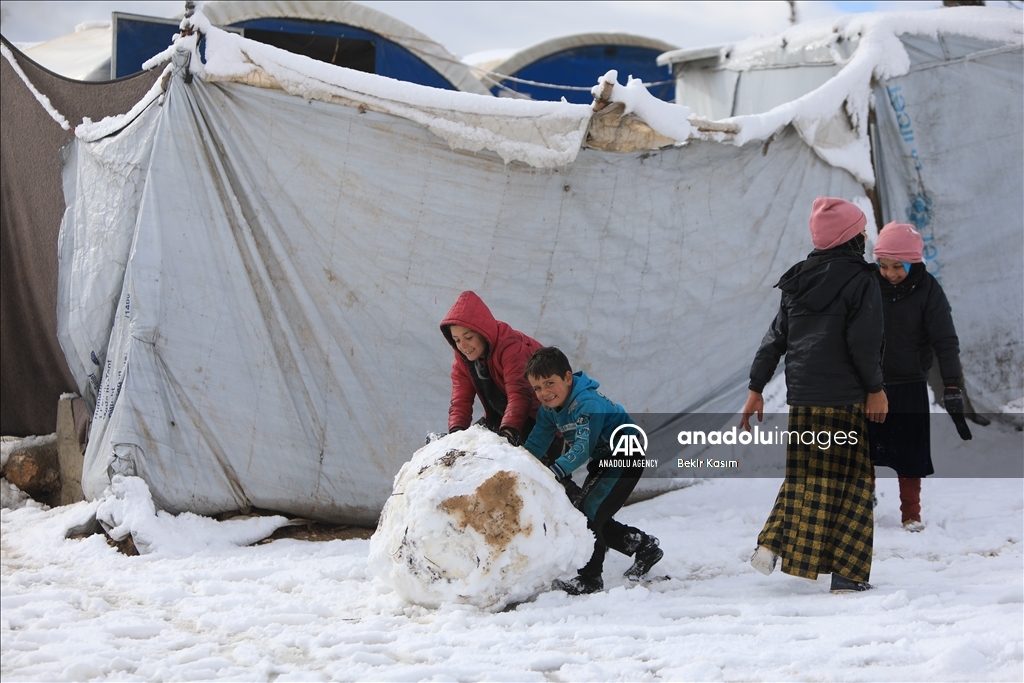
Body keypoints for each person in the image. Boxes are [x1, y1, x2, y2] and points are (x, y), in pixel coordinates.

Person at [740, 196, 887, 594]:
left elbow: (775, 339)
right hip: (843, 397)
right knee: (852, 483)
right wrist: (875, 389)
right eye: (862, 232)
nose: (865, 237)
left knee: (809, 475)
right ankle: (848, 575)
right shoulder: (862, 280)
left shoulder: (799, 280)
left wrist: (756, 388)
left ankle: (772, 543)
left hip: (803, 398)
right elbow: (864, 343)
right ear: (851, 238)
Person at [522, 346, 663, 595]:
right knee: (591, 513)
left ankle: (590, 579)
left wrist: (554, 471)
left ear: (567, 377)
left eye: (549, 383)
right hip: (603, 459)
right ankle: (643, 546)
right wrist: (519, 465)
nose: (544, 392)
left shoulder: (587, 403)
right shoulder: (549, 411)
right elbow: (536, 442)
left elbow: (582, 447)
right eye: (537, 388)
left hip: (625, 456)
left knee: (586, 514)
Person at [869, 221, 970, 532]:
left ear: (913, 262)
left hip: (909, 382)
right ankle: (862, 503)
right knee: (862, 448)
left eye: (897, 266)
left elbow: (945, 340)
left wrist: (952, 385)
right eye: (884, 265)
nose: (889, 273)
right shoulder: (869, 284)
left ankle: (911, 513)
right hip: (870, 382)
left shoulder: (928, 289)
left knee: (910, 451)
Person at [440, 291, 545, 448]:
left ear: (483, 333)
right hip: (500, 416)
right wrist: (456, 434)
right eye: (457, 340)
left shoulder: (511, 347)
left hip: (539, 419)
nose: (463, 346)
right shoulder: (462, 358)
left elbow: (520, 395)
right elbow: (461, 401)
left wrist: (507, 435)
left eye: (468, 337)